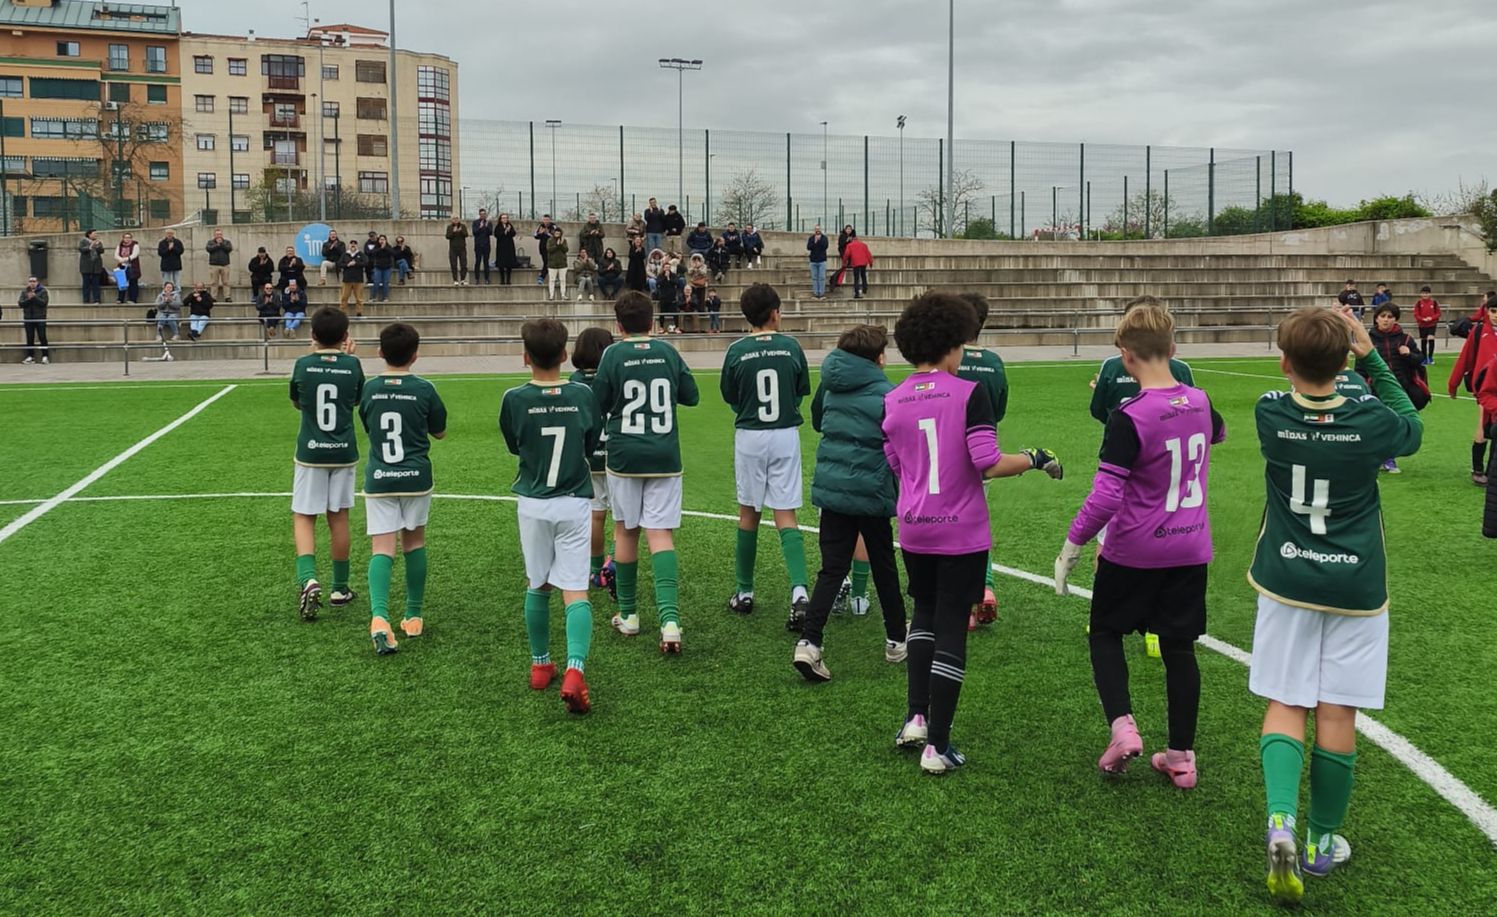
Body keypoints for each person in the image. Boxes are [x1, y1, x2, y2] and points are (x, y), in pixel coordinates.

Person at [1246, 307, 1422, 904]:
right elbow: (1409, 421)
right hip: (1355, 587)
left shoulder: (1269, 412)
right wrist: (1371, 353)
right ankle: (1322, 842)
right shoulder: (1372, 421)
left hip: (1286, 578)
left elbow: (1298, 396)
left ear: (1285, 363)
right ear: (1347, 361)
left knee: (1285, 699)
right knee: (1337, 711)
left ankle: (1279, 822)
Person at [883, 292, 1063, 775]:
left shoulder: (892, 399)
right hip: (960, 531)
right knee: (949, 628)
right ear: (951, 344)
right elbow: (987, 461)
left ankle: (916, 718)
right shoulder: (968, 393)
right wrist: (1035, 458)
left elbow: (896, 463)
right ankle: (937, 745)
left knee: (922, 615)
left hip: (915, 528)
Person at [1054, 302, 1225, 790]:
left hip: (1135, 548)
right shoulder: (1200, 399)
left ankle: (1123, 727)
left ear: (1124, 357)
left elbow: (1107, 494)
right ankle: (1181, 757)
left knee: (1105, 631)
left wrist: (1073, 545)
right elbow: (1218, 433)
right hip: (1190, 548)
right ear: (1173, 349)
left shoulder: (1129, 416)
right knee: (1179, 648)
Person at [792, 325, 909, 681]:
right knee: (884, 564)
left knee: (832, 568)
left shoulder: (830, 383)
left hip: (834, 486)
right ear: (878, 357)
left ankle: (810, 642)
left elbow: (816, 419)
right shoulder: (887, 392)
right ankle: (895, 639)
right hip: (871, 488)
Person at [500, 319, 605, 714]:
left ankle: (540, 664)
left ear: (525, 357)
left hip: (533, 500)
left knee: (537, 582)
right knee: (574, 589)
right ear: (565, 355)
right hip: (574, 500)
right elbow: (590, 443)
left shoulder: (513, 398)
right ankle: (575, 670)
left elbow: (515, 445)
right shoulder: (582, 395)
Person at [591, 291, 701, 653]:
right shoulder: (668, 351)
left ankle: (630, 615)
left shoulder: (613, 354)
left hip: (624, 457)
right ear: (653, 321)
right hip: (664, 455)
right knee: (661, 534)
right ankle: (670, 622)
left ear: (618, 325)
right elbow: (691, 396)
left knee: (626, 531)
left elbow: (599, 402)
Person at [721, 284, 813, 628]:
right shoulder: (791, 346)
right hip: (785, 434)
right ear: (775, 312)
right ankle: (800, 592)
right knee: (785, 513)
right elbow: (800, 390)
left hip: (750, 436)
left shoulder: (736, 350)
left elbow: (731, 396)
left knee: (749, 512)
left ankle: (744, 592)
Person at [359, 322, 448, 655]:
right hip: (416, 477)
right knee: (415, 542)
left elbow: (368, 425)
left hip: (380, 477)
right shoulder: (424, 389)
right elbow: (439, 432)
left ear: (380, 352)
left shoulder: (369, 389)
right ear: (416, 355)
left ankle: (379, 617)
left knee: (382, 548)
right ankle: (413, 615)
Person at [288, 307, 366, 621]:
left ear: (313, 336)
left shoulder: (303, 364)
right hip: (343, 451)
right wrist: (345, 360)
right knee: (339, 516)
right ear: (346, 337)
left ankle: (308, 579)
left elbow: (297, 401)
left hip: (311, 452)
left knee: (304, 516)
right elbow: (356, 399)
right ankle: (340, 588)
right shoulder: (353, 365)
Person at [956, 293, 1011, 629]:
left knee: (952, 529)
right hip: (986, 451)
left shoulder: (950, 359)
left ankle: (962, 600)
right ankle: (986, 587)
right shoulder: (994, 361)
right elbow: (1000, 408)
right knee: (977, 525)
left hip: (951, 454)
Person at [570, 327, 618, 597]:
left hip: (590, 456)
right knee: (621, 517)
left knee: (596, 514)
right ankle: (615, 564)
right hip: (617, 453)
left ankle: (596, 568)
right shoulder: (614, 375)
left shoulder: (574, 382)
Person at [1366, 303, 1428, 474]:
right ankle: (1376, 457)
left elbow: (1420, 360)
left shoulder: (1406, 339)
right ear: (1376, 318)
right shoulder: (1369, 340)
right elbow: (1361, 367)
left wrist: (1409, 354)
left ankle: (1389, 458)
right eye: (1383, 316)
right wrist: (1364, 386)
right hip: (1376, 390)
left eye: (1390, 317)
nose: (1386, 320)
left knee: (1395, 425)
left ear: (1396, 319)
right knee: (1377, 425)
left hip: (1400, 391)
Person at [1449, 296, 1497, 485]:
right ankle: (1478, 469)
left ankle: (1490, 470)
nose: (1496, 316)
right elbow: (1465, 359)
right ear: (1487, 311)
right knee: (1483, 425)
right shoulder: (1478, 331)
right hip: (1485, 388)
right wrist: (1453, 384)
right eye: (1493, 311)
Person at [18, 276, 49, 365]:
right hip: (28, 318)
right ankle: (30, 356)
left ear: (37, 282)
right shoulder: (24, 292)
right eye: (30, 281)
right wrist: (29, 299)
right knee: (29, 337)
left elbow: (43, 303)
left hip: (40, 317)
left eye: (34, 281)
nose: (32, 283)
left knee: (42, 337)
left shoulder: (43, 291)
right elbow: (21, 304)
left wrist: (34, 297)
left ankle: (45, 356)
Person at [1412, 286, 1441, 366]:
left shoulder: (1434, 303)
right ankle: (1424, 358)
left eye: (1427, 293)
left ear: (1430, 294)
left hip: (1432, 324)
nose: (1425, 295)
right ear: (1421, 294)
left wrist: (1431, 318)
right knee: (1424, 341)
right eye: (1423, 293)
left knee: (1431, 338)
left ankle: (1430, 357)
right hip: (1422, 325)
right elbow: (1416, 314)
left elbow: (1438, 313)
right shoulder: (1418, 303)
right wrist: (1422, 319)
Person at [656, 254, 682, 333]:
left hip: (672, 297)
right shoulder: (660, 276)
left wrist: (669, 279)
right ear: (663, 268)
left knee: (675, 313)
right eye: (666, 267)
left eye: (668, 267)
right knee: (662, 313)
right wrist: (665, 278)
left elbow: (676, 283)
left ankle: (677, 327)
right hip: (663, 297)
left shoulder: (673, 275)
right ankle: (661, 327)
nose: (667, 269)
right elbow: (658, 284)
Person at [338, 245, 367, 317]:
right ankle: (342, 312)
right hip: (347, 279)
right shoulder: (345, 255)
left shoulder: (361, 254)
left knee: (359, 298)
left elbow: (365, 263)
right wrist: (347, 265)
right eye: (351, 243)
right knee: (344, 297)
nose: (353, 245)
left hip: (358, 279)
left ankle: (359, 312)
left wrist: (356, 263)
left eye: (355, 243)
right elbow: (339, 264)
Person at [843, 232, 873, 299]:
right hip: (863, 263)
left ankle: (857, 293)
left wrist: (844, 262)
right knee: (863, 276)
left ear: (852, 239)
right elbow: (868, 254)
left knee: (856, 278)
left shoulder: (850, 245)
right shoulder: (864, 245)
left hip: (856, 263)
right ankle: (865, 289)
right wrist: (871, 263)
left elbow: (846, 254)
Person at [78, 229, 104, 304]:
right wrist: (90, 246)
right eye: (94, 234)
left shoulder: (98, 242)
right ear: (89, 234)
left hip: (96, 266)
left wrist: (97, 246)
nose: (96, 235)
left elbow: (102, 251)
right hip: (86, 266)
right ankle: (86, 300)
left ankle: (97, 299)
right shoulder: (83, 241)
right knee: (86, 283)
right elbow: (81, 249)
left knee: (96, 283)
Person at [206, 230, 233, 302]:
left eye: (220, 234)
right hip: (214, 265)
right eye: (217, 234)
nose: (219, 236)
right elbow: (209, 249)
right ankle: (213, 297)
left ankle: (227, 297)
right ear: (214, 235)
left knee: (226, 282)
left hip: (225, 265)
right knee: (214, 282)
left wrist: (221, 244)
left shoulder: (227, 242)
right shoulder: (210, 242)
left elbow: (229, 249)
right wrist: (217, 245)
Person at [114, 233, 141, 304]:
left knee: (133, 282)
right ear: (123, 238)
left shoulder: (135, 245)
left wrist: (126, 259)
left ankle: (133, 299)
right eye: (125, 237)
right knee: (121, 282)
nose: (127, 239)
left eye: (129, 237)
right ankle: (120, 299)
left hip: (132, 266)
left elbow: (134, 255)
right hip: (122, 266)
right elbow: (116, 255)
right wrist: (120, 259)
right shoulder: (119, 246)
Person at [685, 253, 709, 332]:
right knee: (694, 297)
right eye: (695, 260)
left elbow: (704, 273)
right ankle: (694, 309)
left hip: (702, 284)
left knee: (701, 298)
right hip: (693, 284)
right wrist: (693, 268)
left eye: (698, 260)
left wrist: (698, 268)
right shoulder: (691, 266)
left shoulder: (704, 266)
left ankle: (702, 310)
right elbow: (689, 272)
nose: (696, 261)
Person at [546, 227, 570, 301]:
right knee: (552, 280)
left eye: (559, 233)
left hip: (562, 264)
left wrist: (561, 244)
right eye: (556, 233)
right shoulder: (550, 240)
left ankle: (563, 295)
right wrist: (557, 245)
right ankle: (551, 295)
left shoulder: (564, 240)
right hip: (552, 264)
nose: (557, 235)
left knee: (563, 280)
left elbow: (566, 250)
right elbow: (549, 249)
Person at [368, 235, 394, 303]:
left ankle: (385, 297)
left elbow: (393, 253)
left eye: (383, 239)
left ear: (386, 240)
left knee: (386, 283)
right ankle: (373, 297)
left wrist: (385, 248)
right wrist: (381, 248)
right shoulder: (376, 247)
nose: (382, 241)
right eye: (380, 239)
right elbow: (372, 253)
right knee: (376, 282)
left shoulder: (389, 247)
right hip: (378, 267)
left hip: (387, 267)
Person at [807, 225, 829, 299]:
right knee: (814, 277)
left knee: (822, 277)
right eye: (816, 229)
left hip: (822, 260)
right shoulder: (811, 238)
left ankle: (821, 293)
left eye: (818, 229)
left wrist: (819, 241)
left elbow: (825, 246)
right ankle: (816, 293)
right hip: (813, 260)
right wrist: (815, 242)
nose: (817, 230)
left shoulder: (824, 238)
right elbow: (808, 247)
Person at [446, 215, 470, 285]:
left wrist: (461, 231)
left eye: (457, 218)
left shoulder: (463, 226)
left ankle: (462, 279)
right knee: (453, 265)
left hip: (462, 249)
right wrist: (453, 232)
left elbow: (466, 235)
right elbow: (447, 236)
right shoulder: (449, 227)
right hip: (453, 249)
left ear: (459, 219)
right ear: (451, 220)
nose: (456, 220)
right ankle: (455, 280)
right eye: (454, 219)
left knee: (464, 264)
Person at [472, 208, 494, 284]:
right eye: (481, 214)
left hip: (486, 245)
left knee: (486, 262)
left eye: (484, 214)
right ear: (479, 215)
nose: (483, 215)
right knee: (477, 262)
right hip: (478, 245)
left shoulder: (489, 223)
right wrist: (480, 227)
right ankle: (477, 278)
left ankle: (487, 278)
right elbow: (474, 232)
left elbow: (490, 233)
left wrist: (487, 226)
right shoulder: (475, 222)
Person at [495, 213, 518, 285]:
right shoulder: (498, 226)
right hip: (501, 247)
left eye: (506, 218)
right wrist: (505, 231)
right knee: (501, 263)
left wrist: (509, 230)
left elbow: (514, 233)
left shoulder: (510, 225)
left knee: (509, 263)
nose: (505, 219)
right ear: (500, 219)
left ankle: (508, 279)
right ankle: (502, 280)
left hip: (509, 246)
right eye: (503, 218)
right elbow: (497, 235)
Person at [533, 215, 555, 284]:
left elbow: (556, 236)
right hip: (543, 247)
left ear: (550, 220)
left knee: (548, 263)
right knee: (546, 262)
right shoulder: (541, 226)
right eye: (544, 220)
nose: (546, 221)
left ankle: (542, 277)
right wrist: (540, 233)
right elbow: (536, 236)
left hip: (551, 247)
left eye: (547, 220)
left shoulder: (553, 226)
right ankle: (548, 277)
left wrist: (547, 233)